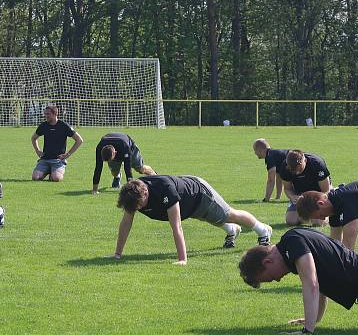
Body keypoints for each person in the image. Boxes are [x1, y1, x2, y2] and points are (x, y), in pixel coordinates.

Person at [110, 175, 274, 264]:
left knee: (228, 214)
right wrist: (117, 254)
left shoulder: (165, 190)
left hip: (199, 194)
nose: (138, 209)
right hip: (189, 205)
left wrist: (182, 259)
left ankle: (262, 229)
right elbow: (126, 224)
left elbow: (177, 227)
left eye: (140, 205)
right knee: (209, 218)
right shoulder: (133, 195)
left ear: (146, 193)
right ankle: (231, 230)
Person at [277, 150, 331, 226]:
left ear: (304, 160)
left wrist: (315, 202)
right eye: (293, 170)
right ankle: (307, 214)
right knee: (291, 221)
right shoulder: (285, 167)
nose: (297, 173)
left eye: (299, 169)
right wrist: (293, 197)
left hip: (318, 194)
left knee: (318, 223)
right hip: (300, 195)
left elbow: (325, 190)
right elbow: (287, 188)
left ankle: (329, 212)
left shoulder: (317, 164)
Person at [31, 104, 83, 181]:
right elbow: (34, 138)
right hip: (45, 159)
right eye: (45, 114)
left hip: (58, 161)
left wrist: (67, 154)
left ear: (55, 114)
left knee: (56, 178)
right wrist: (37, 151)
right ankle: (48, 170)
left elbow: (79, 140)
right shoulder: (43, 125)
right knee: (35, 178)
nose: (46, 116)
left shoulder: (64, 126)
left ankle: (53, 172)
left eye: (48, 114)